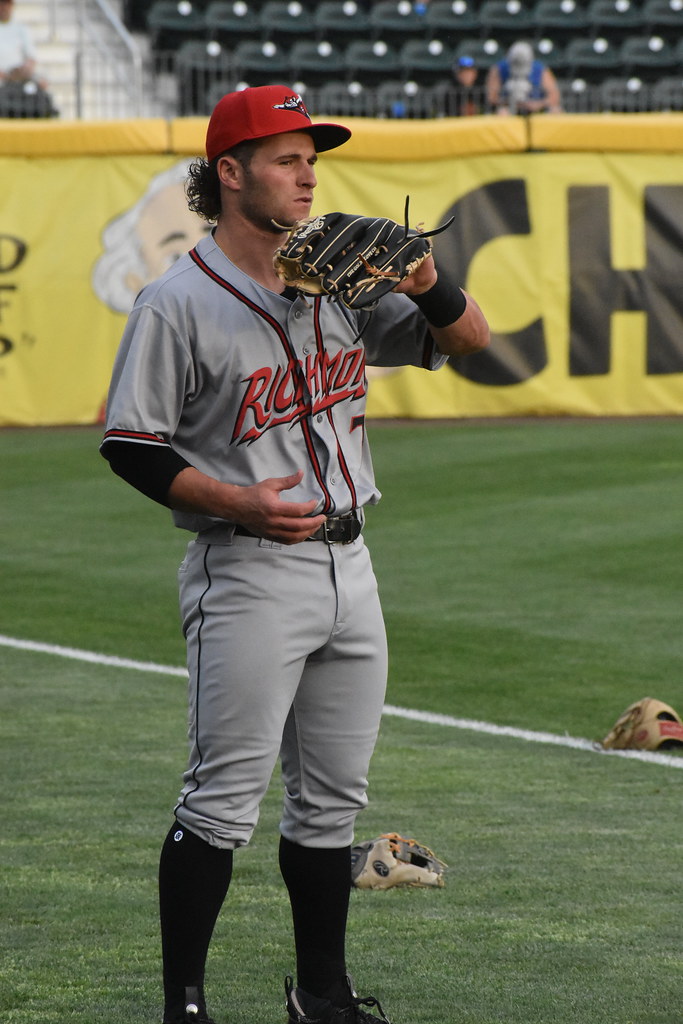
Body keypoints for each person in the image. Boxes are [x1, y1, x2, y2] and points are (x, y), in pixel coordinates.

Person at [100, 84, 489, 1024]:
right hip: (247, 572)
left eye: (312, 156)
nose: (308, 172)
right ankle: (182, 1006)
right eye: (285, 156)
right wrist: (230, 496)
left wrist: (426, 280)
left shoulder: (341, 285)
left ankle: (323, 995)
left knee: (330, 809)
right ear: (227, 174)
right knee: (221, 803)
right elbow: (131, 443)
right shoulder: (176, 301)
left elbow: (472, 343)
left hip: (352, 571)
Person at [486, 40, 563, 115]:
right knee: (502, 113)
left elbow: (555, 97)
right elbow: (492, 97)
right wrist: (510, 102)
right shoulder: (499, 68)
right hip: (509, 108)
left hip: (537, 108)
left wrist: (538, 104)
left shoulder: (541, 69)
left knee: (556, 111)